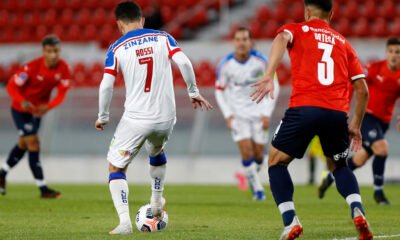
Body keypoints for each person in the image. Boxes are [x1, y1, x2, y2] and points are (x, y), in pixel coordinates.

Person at [250, 0, 373, 239]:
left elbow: (280, 39)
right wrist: (355, 125)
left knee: (276, 162)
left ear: (307, 12)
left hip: (304, 108)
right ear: (332, 14)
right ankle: (357, 209)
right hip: (337, 114)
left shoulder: (296, 29)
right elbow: (363, 90)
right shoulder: (343, 42)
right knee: (339, 166)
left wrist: (268, 75)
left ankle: (290, 220)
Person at [95, 1, 213, 235]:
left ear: (119, 25)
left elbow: (106, 84)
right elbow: (184, 62)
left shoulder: (117, 47)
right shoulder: (163, 37)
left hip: (137, 119)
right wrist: (193, 91)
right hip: (165, 118)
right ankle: (156, 201)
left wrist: (103, 115)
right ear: (142, 20)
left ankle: (125, 223)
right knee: (156, 152)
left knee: (116, 166)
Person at [319, 37, 400, 204]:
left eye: (397, 52)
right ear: (386, 52)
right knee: (382, 148)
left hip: (383, 123)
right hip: (367, 117)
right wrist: (346, 106)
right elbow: (355, 83)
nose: (394, 55)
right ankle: (379, 193)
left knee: (359, 160)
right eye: (391, 51)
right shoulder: (375, 68)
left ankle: (331, 176)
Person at [0, 35, 71, 198]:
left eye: (56, 51)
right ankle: (43, 188)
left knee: (24, 144)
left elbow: (62, 93)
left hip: (37, 112)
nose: (53, 55)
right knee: (33, 143)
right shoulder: (31, 67)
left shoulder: (63, 68)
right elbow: (11, 86)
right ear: (43, 52)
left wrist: (49, 106)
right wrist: (22, 100)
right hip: (21, 109)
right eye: (49, 51)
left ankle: (2, 174)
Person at [215, 27, 279, 200]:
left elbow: (275, 86)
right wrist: (228, 114)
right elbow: (219, 90)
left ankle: (247, 174)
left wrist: (267, 113)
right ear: (234, 42)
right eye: (238, 39)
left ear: (250, 42)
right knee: (246, 152)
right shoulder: (226, 64)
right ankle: (258, 190)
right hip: (238, 115)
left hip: (259, 113)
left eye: (244, 39)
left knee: (259, 156)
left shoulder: (261, 61)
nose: (241, 43)